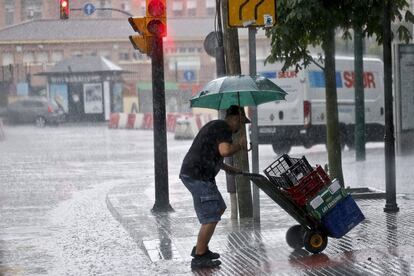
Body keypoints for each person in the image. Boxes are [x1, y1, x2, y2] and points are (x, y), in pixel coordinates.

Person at [179, 105, 251, 269]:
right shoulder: (223, 128)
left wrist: (228, 169)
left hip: (198, 173)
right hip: (198, 176)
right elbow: (224, 150)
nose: (240, 127)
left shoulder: (217, 126)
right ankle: (199, 257)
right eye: (241, 122)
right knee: (211, 217)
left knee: (218, 207)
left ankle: (201, 248)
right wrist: (240, 145)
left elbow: (212, 152)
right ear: (234, 118)